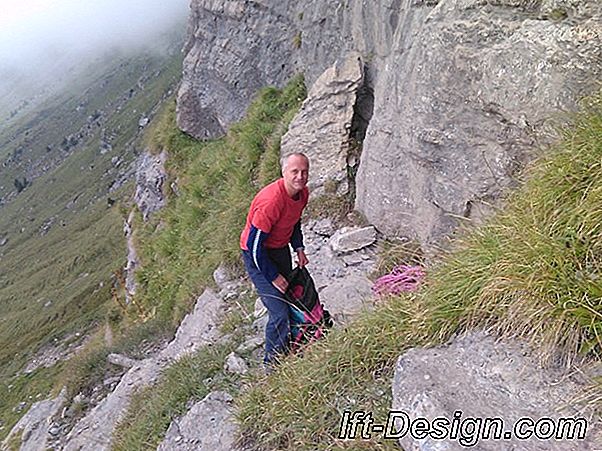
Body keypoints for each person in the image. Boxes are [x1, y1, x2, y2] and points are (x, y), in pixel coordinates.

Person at [240, 152, 310, 368]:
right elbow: (254, 247)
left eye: (304, 171)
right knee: (279, 311)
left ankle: (290, 344)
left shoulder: (302, 193)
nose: (300, 176)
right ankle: (272, 364)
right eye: (294, 172)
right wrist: (273, 276)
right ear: (284, 173)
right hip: (257, 255)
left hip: (278, 248)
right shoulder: (271, 202)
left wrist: (298, 247)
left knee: (288, 299)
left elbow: (294, 222)